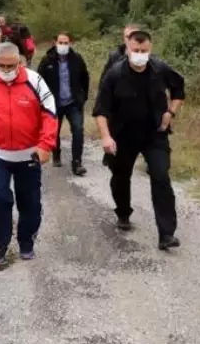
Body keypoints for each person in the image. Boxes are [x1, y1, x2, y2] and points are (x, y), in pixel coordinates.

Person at [93, 29, 186, 251]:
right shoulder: (114, 74)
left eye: (144, 51)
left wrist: (170, 112)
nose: (140, 54)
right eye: (136, 50)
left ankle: (166, 234)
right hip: (123, 135)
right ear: (128, 49)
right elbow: (100, 110)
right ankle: (123, 212)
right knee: (121, 176)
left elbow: (179, 90)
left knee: (161, 176)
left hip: (154, 134)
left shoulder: (160, 69)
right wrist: (106, 137)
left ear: (150, 49)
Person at [0, 42, 57, 268]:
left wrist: (46, 145)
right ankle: (1, 242)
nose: (6, 70)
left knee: (30, 202)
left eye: (11, 66)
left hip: (29, 155)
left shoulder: (35, 81)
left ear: (20, 62)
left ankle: (26, 241)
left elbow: (49, 113)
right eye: (1, 65)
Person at [37, 32, 91, 177]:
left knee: (78, 130)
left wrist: (82, 97)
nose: (63, 45)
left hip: (73, 102)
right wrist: (43, 102)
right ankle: (56, 153)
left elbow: (85, 77)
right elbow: (39, 82)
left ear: (70, 43)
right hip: (54, 104)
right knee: (54, 131)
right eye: (61, 42)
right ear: (55, 43)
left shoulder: (77, 59)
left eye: (66, 43)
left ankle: (77, 162)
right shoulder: (47, 61)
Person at [97, 22, 141, 93]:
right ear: (124, 38)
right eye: (127, 37)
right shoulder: (115, 56)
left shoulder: (148, 59)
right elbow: (103, 83)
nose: (130, 40)